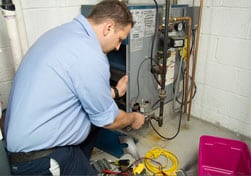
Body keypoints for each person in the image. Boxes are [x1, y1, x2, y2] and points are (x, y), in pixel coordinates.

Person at [4, 0, 145, 175]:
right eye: (119, 39)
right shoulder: (90, 54)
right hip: (38, 159)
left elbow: (78, 89)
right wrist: (133, 118)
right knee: (101, 122)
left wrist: (115, 92)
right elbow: (109, 120)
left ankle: (79, 161)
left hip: (23, 142)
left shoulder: (64, 34)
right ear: (108, 27)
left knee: (94, 124)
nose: (118, 47)